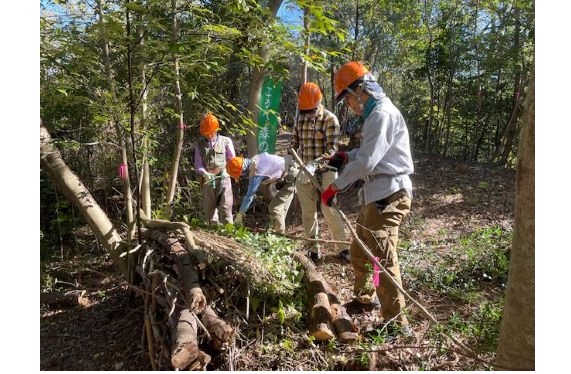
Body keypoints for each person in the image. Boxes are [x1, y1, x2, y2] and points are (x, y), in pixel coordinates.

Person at [321, 61, 414, 336]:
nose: (348, 104)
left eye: (347, 97)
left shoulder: (382, 114)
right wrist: (345, 157)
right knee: (361, 251)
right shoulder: (374, 115)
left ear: (360, 90)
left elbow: (369, 163)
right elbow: (368, 154)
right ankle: (366, 296)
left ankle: (397, 324)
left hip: (389, 194)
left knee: (382, 259)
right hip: (376, 194)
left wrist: (335, 187)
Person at [292, 82, 349, 263]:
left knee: (329, 208)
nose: (307, 114)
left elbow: (333, 149)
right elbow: (294, 144)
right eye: (304, 111)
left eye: (311, 110)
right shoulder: (300, 119)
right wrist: (291, 161)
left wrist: (315, 164)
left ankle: (342, 247)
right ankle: (312, 249)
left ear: (318, 103)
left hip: (327, 169)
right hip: (304, 169)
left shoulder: (330, 119)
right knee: (308, 212)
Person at [226, 152, 298, 234]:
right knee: (281, 208)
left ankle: (279, 234)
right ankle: (275, 229)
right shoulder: (255, 159)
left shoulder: (256, 171)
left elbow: (249, 196)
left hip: (290, 176)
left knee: (275, 208)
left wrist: (240, 214)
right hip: (289, 172)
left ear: (242, 171)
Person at [194, 113, 235, 225]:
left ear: (216, 130)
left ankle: (228, 230)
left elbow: (232, 161)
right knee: (209, 208)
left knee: (226, 205)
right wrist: (204, 173)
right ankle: (213, 230)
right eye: (206, 134)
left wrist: (227, 171)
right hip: (208, 178)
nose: (208, 136)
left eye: (210, 133)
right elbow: (198, 164)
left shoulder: (226, 141)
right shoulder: (199, 144)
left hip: (224, 176)